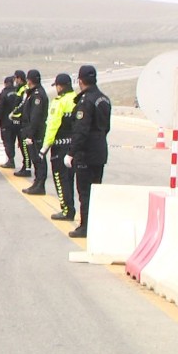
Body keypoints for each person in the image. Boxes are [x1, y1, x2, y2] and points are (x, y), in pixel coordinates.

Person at [65, 65, 112, 238]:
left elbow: (81, 130)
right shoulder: (104, 99)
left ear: (80, 80)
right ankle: (94, 224)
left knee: (85, 191)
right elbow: (106, 127)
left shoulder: (86, 101)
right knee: (96, 190)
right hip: (100, 150)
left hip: (86, 152)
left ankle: (85, 226)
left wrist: (71, 152)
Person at [39, 74, 78, 220]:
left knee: (60, 179)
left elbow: (52, 126)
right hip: (73, 146)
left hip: (60, 146)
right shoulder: (76, 99)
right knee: (70, 179)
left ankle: (66, 210)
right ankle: (71, 208)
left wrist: (45, 147)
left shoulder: (59, 102)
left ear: (60, 86)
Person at [20, 69, 49, 195]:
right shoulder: (33, 93)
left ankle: (40, 184)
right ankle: (37, 182)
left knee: (38, 159)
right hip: (32, 131)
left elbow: (35, 117)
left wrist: (30, 134)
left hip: (36, 133)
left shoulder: (37, 95)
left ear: (29, 80)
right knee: (35, 159)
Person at [0, 75, 19, 168]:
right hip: (17, 122)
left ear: (6, 83)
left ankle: (11, 160)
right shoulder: (18, 92)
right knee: (13, 140)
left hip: (6, 122)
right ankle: (12, 160)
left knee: (7, 141)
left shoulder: (4, 93)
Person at [9, 70, 32, 177]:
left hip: (22, 121)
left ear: (19, 78)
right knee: (21, 145)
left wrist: (14, 113)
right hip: (18, 121)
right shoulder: (19, 89)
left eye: (16, 78)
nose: (15, 81)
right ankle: (25, 166)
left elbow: (23, 105)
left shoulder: (24, 89)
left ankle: (27, 167)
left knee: (24, 146)